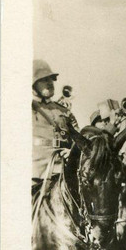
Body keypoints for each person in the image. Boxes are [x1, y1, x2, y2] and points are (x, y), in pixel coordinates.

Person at [32, 59, 77, 198]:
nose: (50, 83)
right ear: (33, 84)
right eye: (44, 79)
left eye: (51, 79)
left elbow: (79, 138)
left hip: (63, 171)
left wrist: (73, 151)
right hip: (36, 173)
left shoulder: (63, 111)